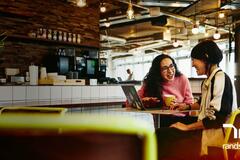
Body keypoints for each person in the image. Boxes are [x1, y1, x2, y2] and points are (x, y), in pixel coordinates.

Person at [156, 40, 237, 159]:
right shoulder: (211, 79)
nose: (192, 64)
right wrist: (187, 107)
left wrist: (187, 127)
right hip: (208, 130)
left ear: (206, 59)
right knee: (167, 131)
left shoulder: (220, 79)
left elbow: (216, 119)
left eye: (194, 60)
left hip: (214, 137)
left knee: (161, 135)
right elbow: (203, 103)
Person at [137, 54, 194, 126]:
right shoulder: (151, 82)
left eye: (171, 66)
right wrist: (143, 101)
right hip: (158, 119)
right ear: (158, 71)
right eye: (164, 68)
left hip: (180, 119)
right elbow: (130, 102)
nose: (170, 71)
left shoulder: (182, 78)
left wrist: (180, 105)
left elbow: (190, 103)